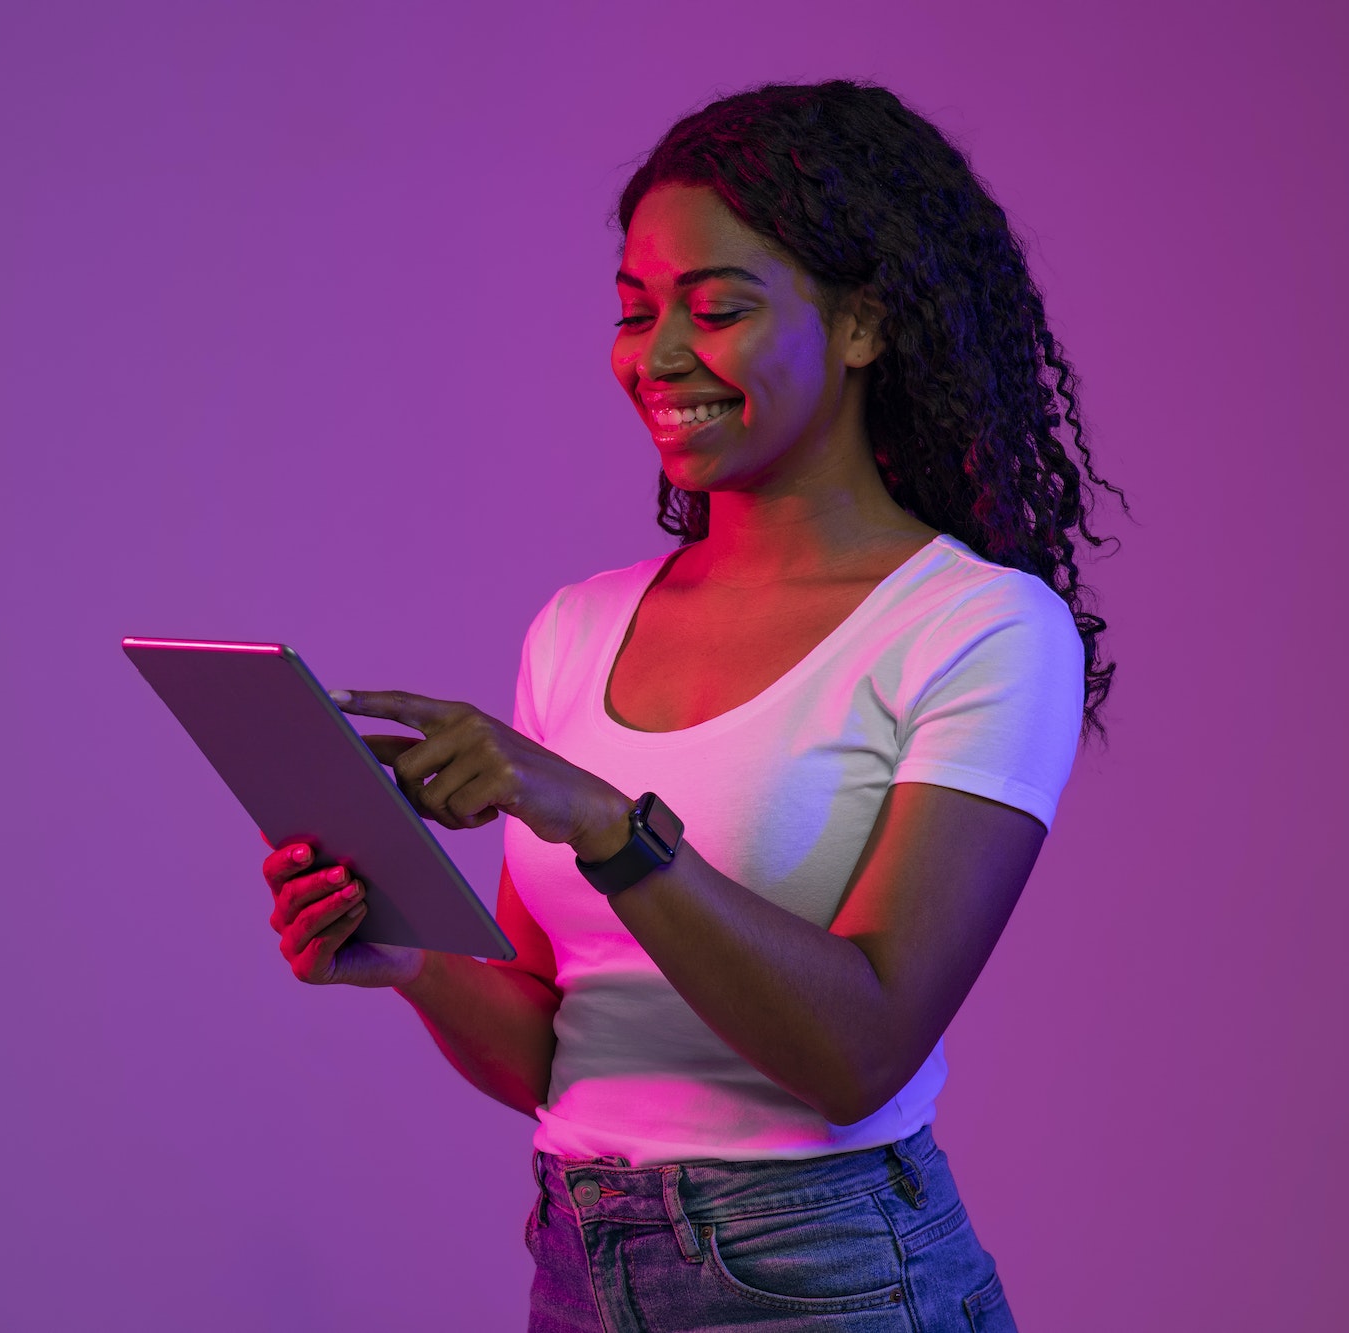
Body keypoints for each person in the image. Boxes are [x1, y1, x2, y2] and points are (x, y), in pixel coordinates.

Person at [258, 80, 1120, 1332]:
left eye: (715, 309)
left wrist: (605, 821)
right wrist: (407, 955)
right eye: (633, 310)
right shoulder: (578, 626)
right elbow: (556, 1053)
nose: (659, 356)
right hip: (579, 1257)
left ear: (864, 325)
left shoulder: (975, 628)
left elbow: (856, 1054)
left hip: (829, 1272)